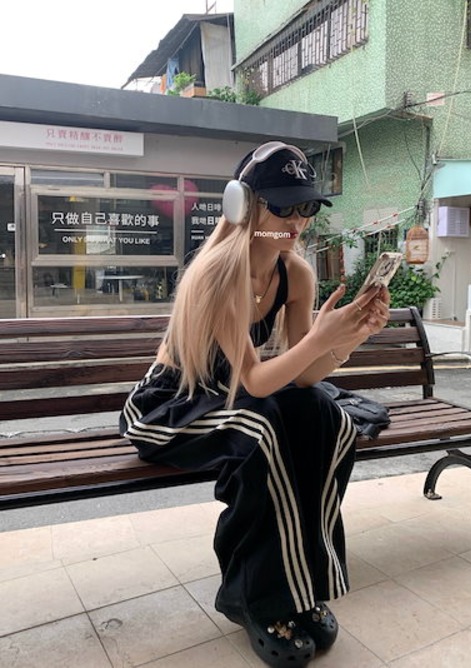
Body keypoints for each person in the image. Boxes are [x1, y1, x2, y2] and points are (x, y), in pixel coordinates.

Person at [120, 141, 390, 667]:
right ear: (243, 205)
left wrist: (353, 335)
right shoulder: (219, 273)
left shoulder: (296, 273)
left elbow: (305, 373)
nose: (297, 221)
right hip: (172, 405)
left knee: (328, 419)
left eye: (306, 206)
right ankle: (252, 598)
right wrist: (322, 337)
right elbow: (257, 382)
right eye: (283, 206)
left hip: (233, 398)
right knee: (262, 433)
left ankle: (300, 583)